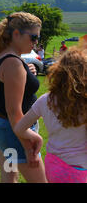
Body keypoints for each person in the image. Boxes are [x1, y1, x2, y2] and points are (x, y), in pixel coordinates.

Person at [0, 12, 47, 183]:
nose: (36, 43)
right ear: (15, 34)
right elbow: (15, 114)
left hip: (2, 126)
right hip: (14, 131)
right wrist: (29, 148)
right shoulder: (13, 63)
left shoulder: (1, 55)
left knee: (9, 175)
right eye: (33, 37)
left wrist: (27, 71)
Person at [14, 48, 87, 183]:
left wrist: (37, 138)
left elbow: (19, 129)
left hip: (53, 167)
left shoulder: (45, 100)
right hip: (80, 170)